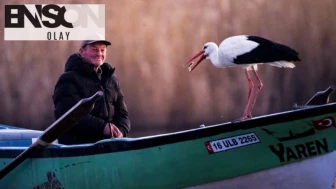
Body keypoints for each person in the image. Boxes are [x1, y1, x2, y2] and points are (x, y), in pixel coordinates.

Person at [52, 36, 131, 145]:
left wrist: (121, 132)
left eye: (102, 50)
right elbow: (69, 115)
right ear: (82, 52)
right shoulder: (68, 79)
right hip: (77, 148)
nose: (99, 53)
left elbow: (123, 115)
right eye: (94, 49)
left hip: (109, 147)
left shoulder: (112, 80)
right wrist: (102, 127)